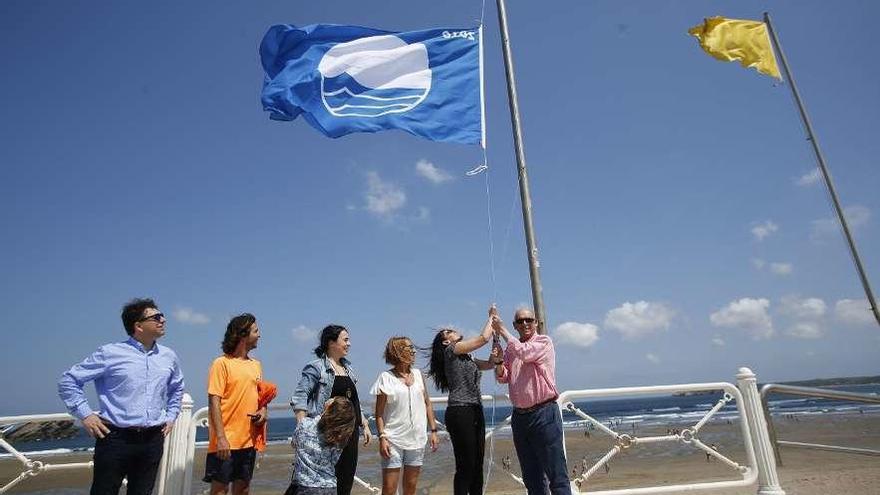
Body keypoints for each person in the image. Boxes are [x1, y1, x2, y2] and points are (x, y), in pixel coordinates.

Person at [58, 298, 185, 495]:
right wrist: (85, 414)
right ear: (138, 325)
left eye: (163, 316)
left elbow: (177, 388)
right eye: (157, 317)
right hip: (115, 439)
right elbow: (69, 381)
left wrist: (171, 415)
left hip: (152, 439)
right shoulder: (110, 353)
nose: (163, 320)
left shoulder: (168, 356)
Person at [491, 307, 571, 495]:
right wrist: (498, 363)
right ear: (515, 325)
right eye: (520, 321)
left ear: (536, 323)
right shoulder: (512, 348)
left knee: (556, 474)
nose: (525, 323)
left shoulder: (544, 342)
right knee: (531, 477)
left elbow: (525, 353)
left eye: (529, 320)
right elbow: (504, 377)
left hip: (544, 413)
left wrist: (501, 330)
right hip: (520, 417)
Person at [425, 306, 498, 495]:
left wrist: (496, 351)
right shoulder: (452, 350)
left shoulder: (468, 357)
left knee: (477, 464)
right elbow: (482, 338)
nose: (452, 329)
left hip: (475, 410)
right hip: (460, 412)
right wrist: (491, 318)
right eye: (448, 331)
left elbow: (490, 364)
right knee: (465, 465)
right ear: (446, 342)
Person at [291, 325, 372, 495]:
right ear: (331, 343)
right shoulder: (316, 367)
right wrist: (302, 427)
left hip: (349, 436)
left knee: (345, 483)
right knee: (321, 482)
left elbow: (354, 400)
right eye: (345, 340)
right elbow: (300, 396)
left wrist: (364, 424)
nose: (349, 344)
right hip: (326, 436)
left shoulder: (349, 369)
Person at [203, 313, 266, 494]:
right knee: (219, 490)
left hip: (249, 441)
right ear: (243, 334)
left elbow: (261, 397)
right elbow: (214, 401)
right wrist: (221, 438)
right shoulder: (221, 363)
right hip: (226, 442)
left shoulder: (256, 365)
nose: (259, 335)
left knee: (243, 489)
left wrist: (263, 411)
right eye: (256, 330)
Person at [371, 336, 439, 495]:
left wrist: (434, 431)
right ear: (398, 351)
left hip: (417, 439)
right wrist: (382, 437)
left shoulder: (418, 374)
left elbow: (427, 403)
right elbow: (379, 412)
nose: (414, 351)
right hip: (393, 440)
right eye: (410, 348)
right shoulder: (385, 378)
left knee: (410, 488)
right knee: (389, 488)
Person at [284, 397, 357, 495]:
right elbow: (334, 461)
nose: (330, 398)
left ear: (330, 409)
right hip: (329, 487)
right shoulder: (339, 439)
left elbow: (294, 443)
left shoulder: (305, 425)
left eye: (333, 400)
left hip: (305, 486)